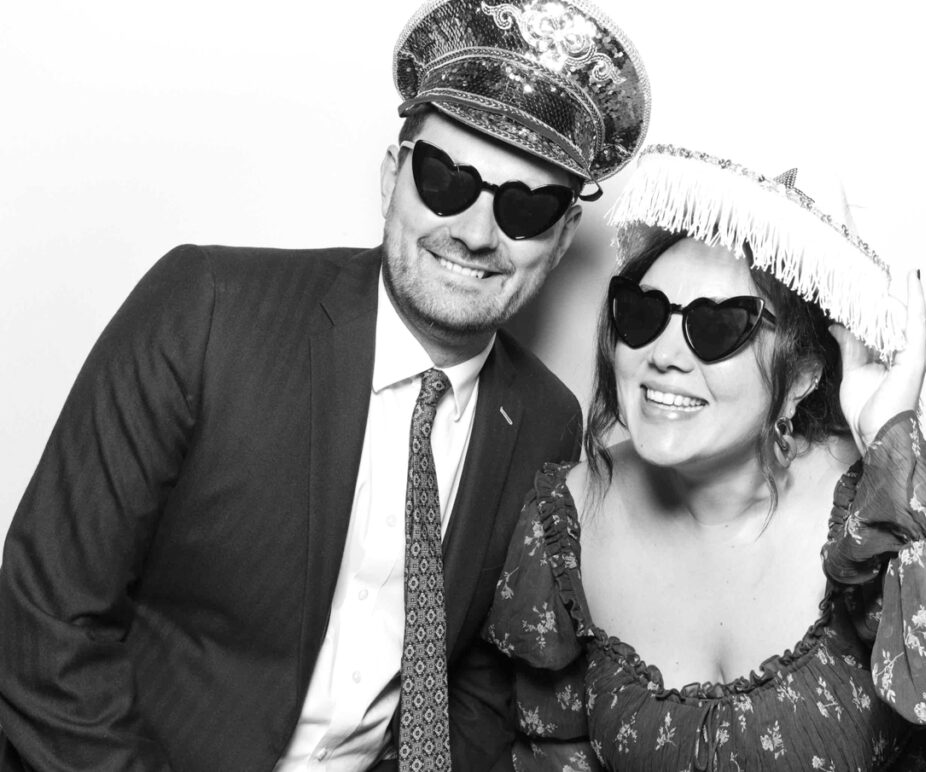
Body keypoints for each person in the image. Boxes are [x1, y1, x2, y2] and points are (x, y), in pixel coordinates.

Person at [0, 1, 650, 770]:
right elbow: (44, 621)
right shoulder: (205, 309)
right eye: (445, 181)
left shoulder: (545, 417)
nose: (476, 233)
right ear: (392, 176)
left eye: (526, 207)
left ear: (565, 235)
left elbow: (479, 671)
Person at [485, 145, 926, 770]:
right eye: (644, 313)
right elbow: (551, 748)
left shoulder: (877, 514)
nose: (662, 354)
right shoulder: (565, 522)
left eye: (717, 327)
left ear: (800, 378)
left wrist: (892, 444)